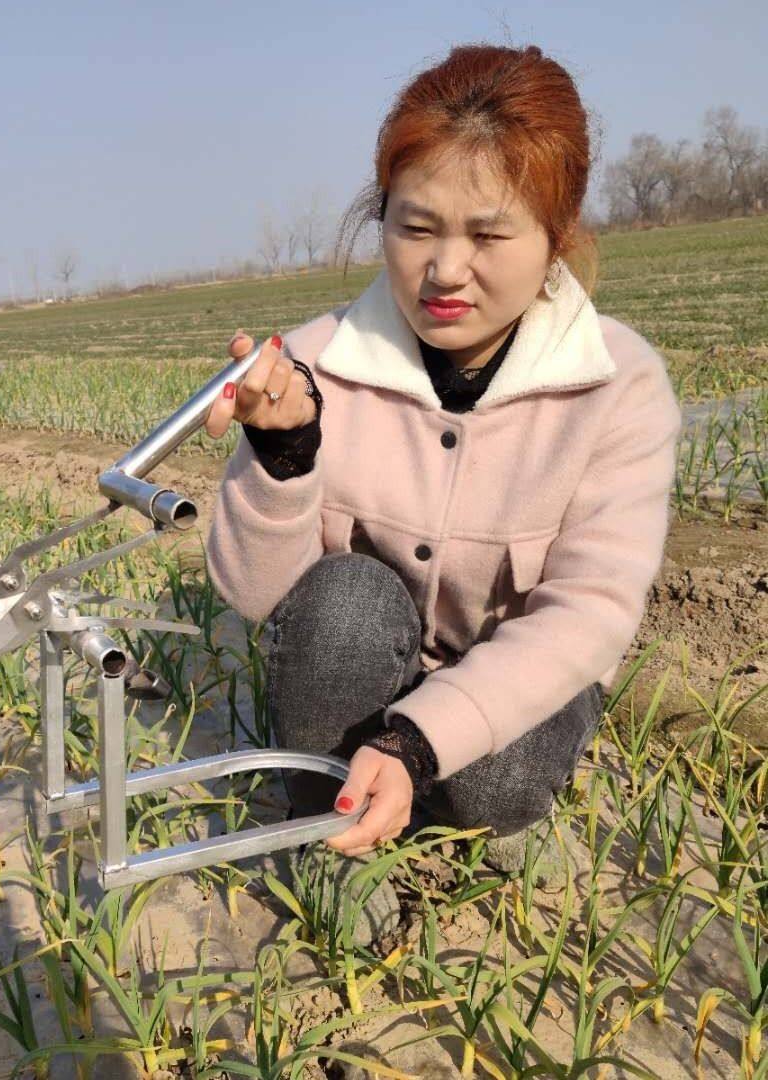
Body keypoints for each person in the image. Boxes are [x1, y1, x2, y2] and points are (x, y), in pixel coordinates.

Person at [202, 43, 681, 942]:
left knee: (497, 786)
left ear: (558, 232)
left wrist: (420, 740)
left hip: (502, 676)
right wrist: (285, 454)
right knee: (342, 599)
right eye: (416, 228)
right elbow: (257, 598)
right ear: (381, 218)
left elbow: (590, 613)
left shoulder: (617, 384)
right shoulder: (314, 362)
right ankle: (329, 828)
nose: (445, 269)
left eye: (489, 235)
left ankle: (455, 808)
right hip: (351, 670)